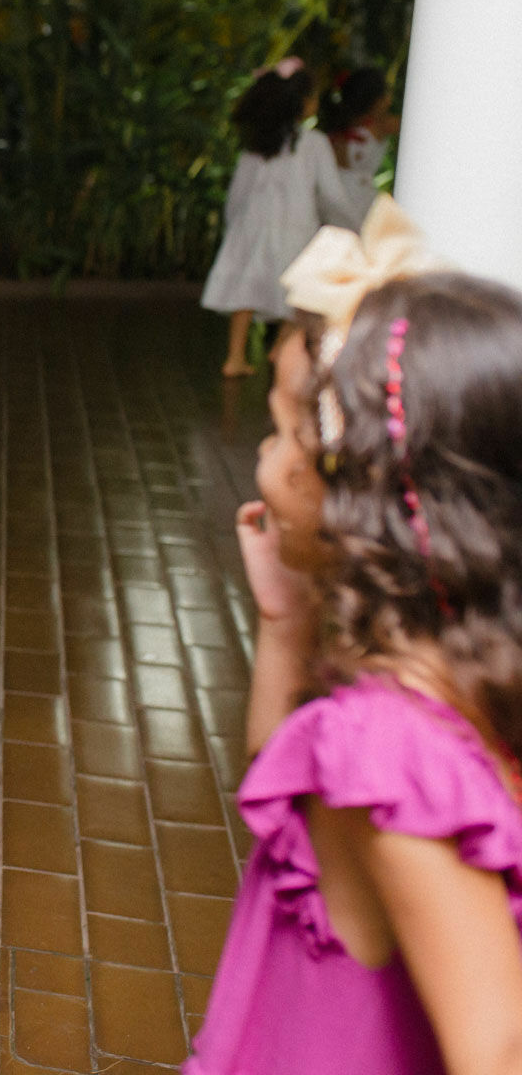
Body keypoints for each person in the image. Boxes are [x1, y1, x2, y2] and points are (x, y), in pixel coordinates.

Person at [186, 201, 522, 1074]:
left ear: (354, 490)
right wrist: (285, 624)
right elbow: (293, 800)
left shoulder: (387, 745)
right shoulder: (457, 677)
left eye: (282, 431)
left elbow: (497, 1048)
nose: (261, 454)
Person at [200, 59, 360, 378]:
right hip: (296, 228)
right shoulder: (313, 143)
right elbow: (330, 193)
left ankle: (235, 356)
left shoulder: (257, 144)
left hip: (252, 226)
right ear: (301, 103)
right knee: (298, 293)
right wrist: (352, 224)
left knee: (245, 290)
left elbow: (239, 192)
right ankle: (280, 348)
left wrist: (234, 224)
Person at [320, 66, 398, 226]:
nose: (389, 101)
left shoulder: (336, 132)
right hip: (361, 207)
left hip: (329, 207)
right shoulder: (381, 126)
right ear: (376, 101)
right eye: (386, 95)